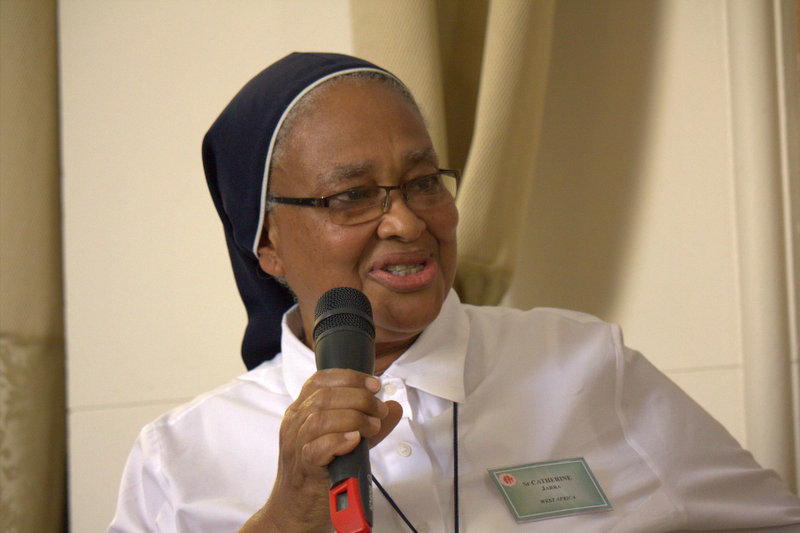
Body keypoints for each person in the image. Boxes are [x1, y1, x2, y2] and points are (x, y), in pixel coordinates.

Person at [109, 52, 800, 532]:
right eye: (352, 196)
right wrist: (286, 519)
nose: (407, 222)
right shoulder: (181, 458)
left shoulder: (583, 363)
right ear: (267, 243)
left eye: (422, 183)